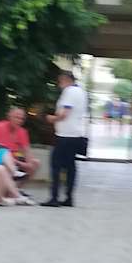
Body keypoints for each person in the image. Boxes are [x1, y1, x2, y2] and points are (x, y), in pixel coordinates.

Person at [45, 67, 88, 207]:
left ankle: (54, 198)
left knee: (55, 165)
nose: (59, 85)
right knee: (70, 166)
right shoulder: (81, 92)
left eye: (60, 82)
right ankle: (69, 197)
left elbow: (64, 114)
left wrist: (52, 118)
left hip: (65, 135)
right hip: (76, 134)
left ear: (65, 80)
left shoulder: (69, 91)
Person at [0, 107, 35, 184]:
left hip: (15, 159)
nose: (19, 121)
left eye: (22, 119)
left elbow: (27, 152)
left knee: (35, 163)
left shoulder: (22, 132)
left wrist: (28, 163)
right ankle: (12, 188)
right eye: (17, 117)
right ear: (9, 116)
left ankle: (17, 187)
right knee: (5, 158)